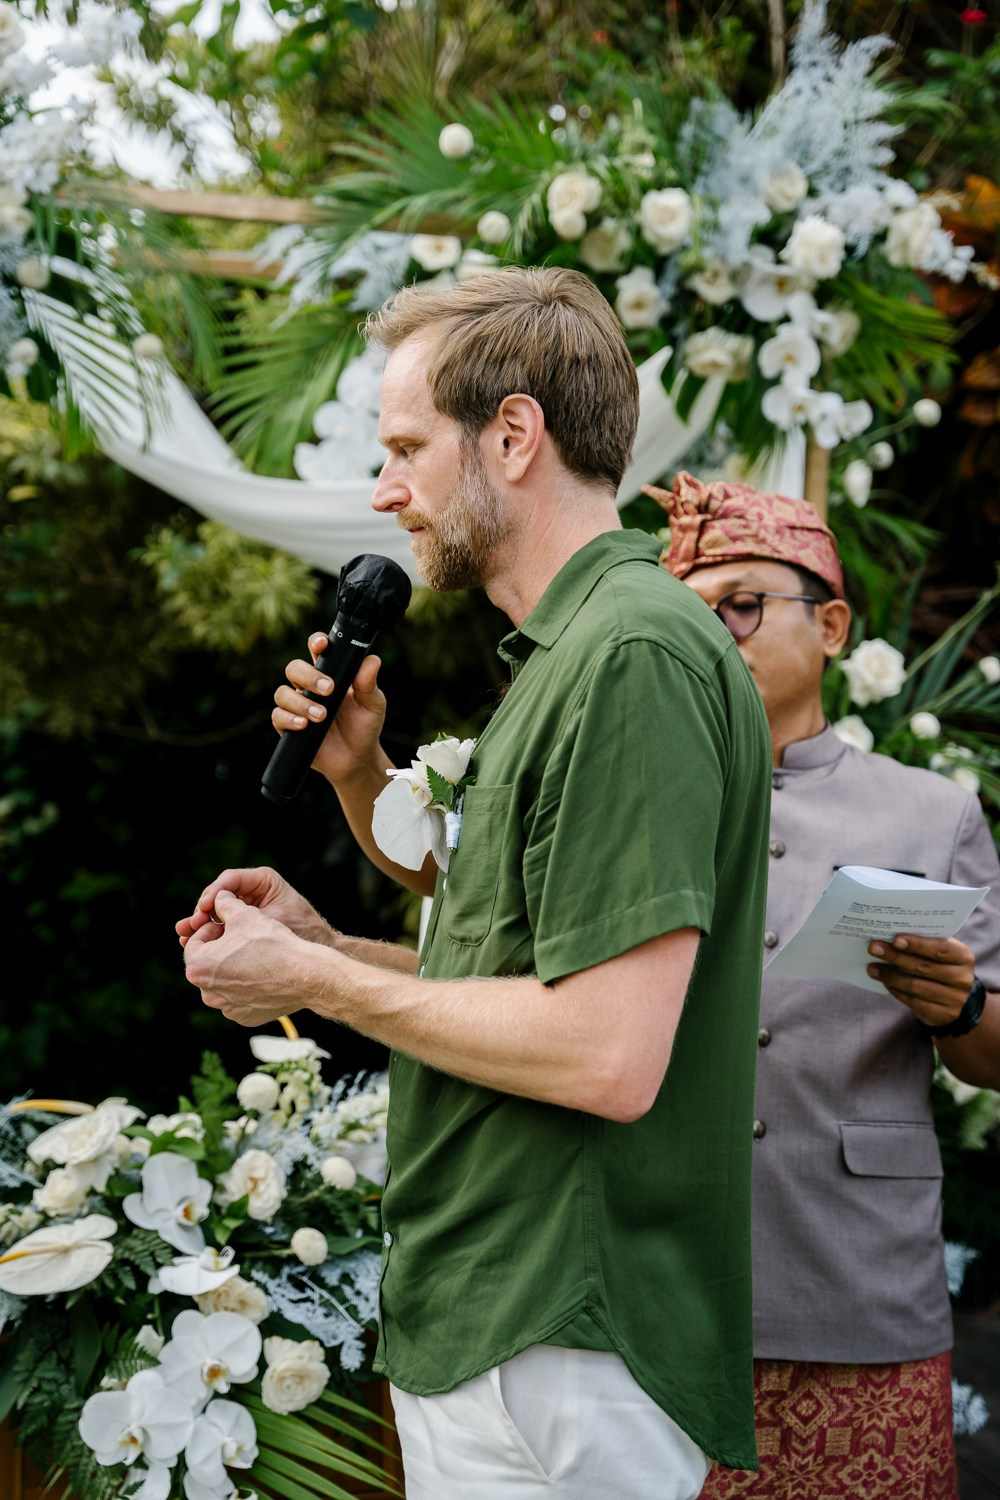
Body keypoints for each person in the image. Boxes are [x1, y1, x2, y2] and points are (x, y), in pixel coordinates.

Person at [177, 268, 773, 1499]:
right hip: (507, 1325)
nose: (382, 489)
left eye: (405, 448)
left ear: (512, 435)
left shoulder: (632, 654)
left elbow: (605, 1052)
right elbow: (510, 971)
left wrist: (318, 987)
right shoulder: (572, 653)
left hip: (557, 1332)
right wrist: (336, 898)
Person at [644, 469, 1000, 1500]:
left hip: (859, 1284)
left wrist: (959, 1006)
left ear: (832, 625)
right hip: (659, 1285)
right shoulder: (636, 804)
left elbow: (993, 1054)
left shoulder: (932, 814)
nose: (716, 636)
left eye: (743, 606)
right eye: (691, 617)